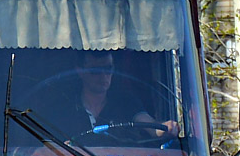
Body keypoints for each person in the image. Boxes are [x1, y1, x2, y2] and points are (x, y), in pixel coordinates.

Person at [36, 50, 179, 143]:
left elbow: (150, 126)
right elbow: (45, 149)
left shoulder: (125, 102)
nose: (103, 76)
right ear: (80, 71)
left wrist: (165, 127)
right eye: (96, 71)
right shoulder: (63, 107)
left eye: (108, 69)